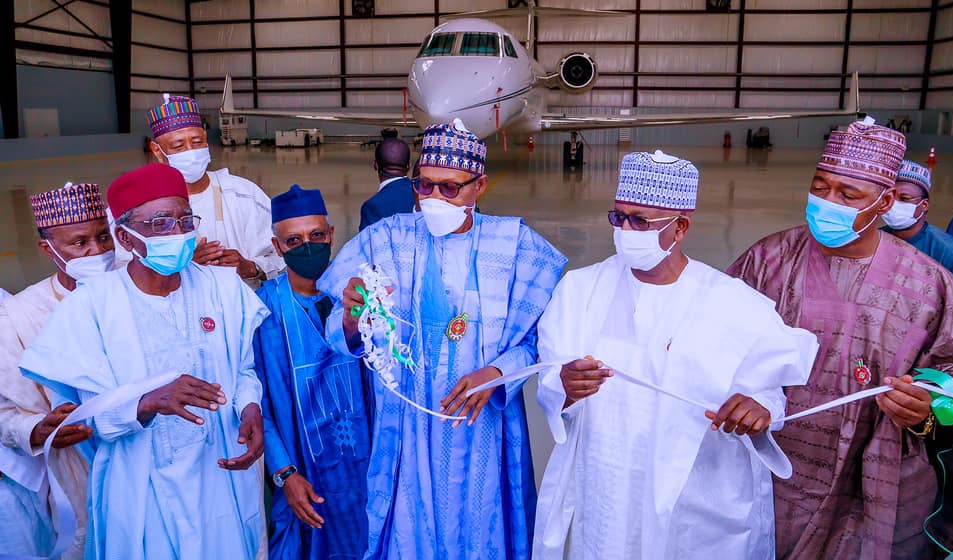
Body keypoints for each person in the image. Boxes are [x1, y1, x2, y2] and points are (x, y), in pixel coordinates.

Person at [532, 150, 818, 560]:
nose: (626, 230)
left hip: (693, 490)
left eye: (640, 221)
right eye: (619, 217)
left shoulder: (733, 303)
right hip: (607, 485)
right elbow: (551, 380)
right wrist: (563, 386)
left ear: (680, 226)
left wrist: (760, 410)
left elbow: (768, 390)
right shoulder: (578, 291)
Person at [318, 122, 567, 559]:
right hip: (407, 425)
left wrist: (498, 372)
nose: (434, 199)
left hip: (481, 426)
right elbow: (340, 328)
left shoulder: (514, 247)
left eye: (450, 189)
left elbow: (539, 342)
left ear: (480, 186)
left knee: (477, 529)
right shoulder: (387, 238)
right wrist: (355, 319)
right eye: (425, 186)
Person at [727, 119, 953, 560]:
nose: (827, 202)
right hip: (774, 471)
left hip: (875, 479)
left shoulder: (931, 285)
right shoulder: (765, 261)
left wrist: (927, 407)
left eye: (848, 195)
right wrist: (742, 395)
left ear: (885, 202)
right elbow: (709, 346)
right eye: (820, 187)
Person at [20, 163, 269, 560]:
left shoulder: (223, 287)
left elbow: (242, 370)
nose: (179, 233)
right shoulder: (91, 307)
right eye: (160, 223)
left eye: (185, 219)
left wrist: (250, 408)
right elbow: (86, 419)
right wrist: (146, 402)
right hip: (139, 487)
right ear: (125, 236)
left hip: (219, 473)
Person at [254, 184, 372, 560]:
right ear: (278, 248)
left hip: (368, 472)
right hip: (304, 473)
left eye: (317, 235)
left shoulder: (359, 295)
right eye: (294, 240)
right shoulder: (265, 310)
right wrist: (284, 474)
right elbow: (260, 403)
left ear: (331, 235)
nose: (308, 246)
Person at [0, 182, 113, 558]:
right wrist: (36, 428)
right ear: (48, 249)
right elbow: (4, 415)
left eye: (103, 237)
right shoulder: (20, 316)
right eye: (79, 243)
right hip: (74, 472)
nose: (96, 251)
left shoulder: (140, 287)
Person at [115, 94, 283, 288]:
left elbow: (284, 253)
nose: (190, 152)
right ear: (157, 151)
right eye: (178, 146)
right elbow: (119, 271)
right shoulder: (139, 208)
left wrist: (252, 268)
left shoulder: (244, 194)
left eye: (197, 142)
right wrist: (182, 267)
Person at [881, 160, 953, 278]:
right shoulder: (875, 240)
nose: (893, 204)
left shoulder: (949, 253)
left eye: (904, 198)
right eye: (888, 198)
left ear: (924, 205)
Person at [359, 137, 415, 231]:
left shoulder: (373, 206)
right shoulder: (422, 194)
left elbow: (368, 244)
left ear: (375, 165)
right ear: (409, 166)